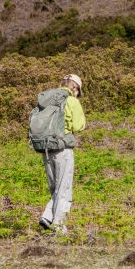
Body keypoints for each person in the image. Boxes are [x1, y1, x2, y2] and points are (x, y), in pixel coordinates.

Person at [31, 72, 86, 235]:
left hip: (45, 148)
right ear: (75, 87)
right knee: (64, 189)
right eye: (78, 92)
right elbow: (78, 126)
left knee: (55, 187)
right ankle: (59, 227)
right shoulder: (71, 100)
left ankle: (48, 217)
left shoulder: (48, 98)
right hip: (63, 148)